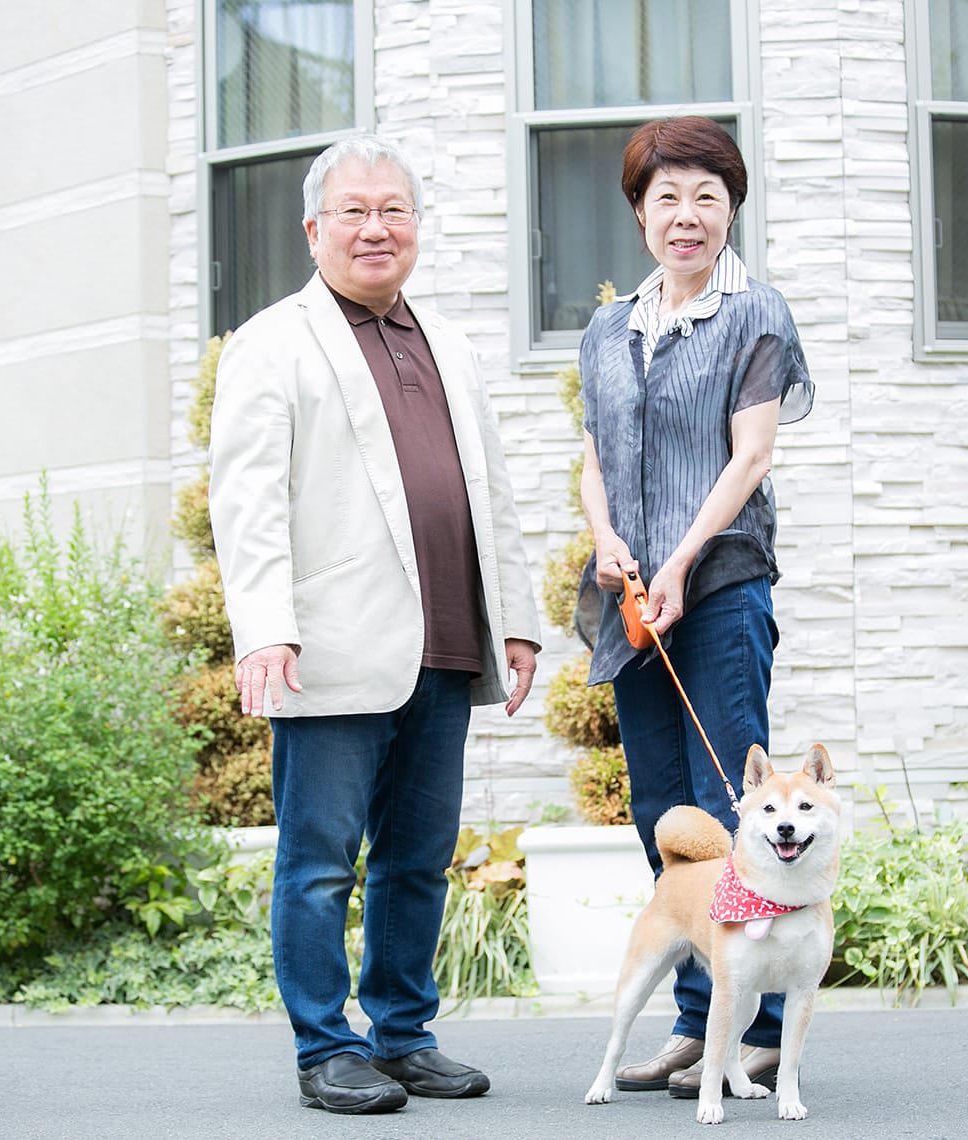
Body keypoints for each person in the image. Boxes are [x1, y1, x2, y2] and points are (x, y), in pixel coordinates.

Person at [208, 135, 542, 1116]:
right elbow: (248, 499)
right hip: (332, 648)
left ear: (415, 229)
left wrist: (512, 619)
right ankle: (325, 1048)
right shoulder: (273, 341)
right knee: (317, 865)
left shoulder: (450, 340)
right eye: (352, 211)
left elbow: (493, 494)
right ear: (314, 228)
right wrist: (264, 627)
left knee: (416, 859)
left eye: (392, 210)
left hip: (446, 644)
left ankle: (401, 1034)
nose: (374, 228)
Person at [575, 116, 814, 1099]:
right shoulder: (607, 328)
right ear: (639, 213)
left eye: (707, 197)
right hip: (635, 599)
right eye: (667, 197)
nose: (687, 215)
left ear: (730, 209)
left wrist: (677, 559)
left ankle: (751, 1035)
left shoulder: (753, 314)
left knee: (734, 805)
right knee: (661, 813)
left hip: (717, 586)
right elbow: (592, 454)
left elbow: (749, 455)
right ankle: (695, 1021)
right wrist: (605, 541)